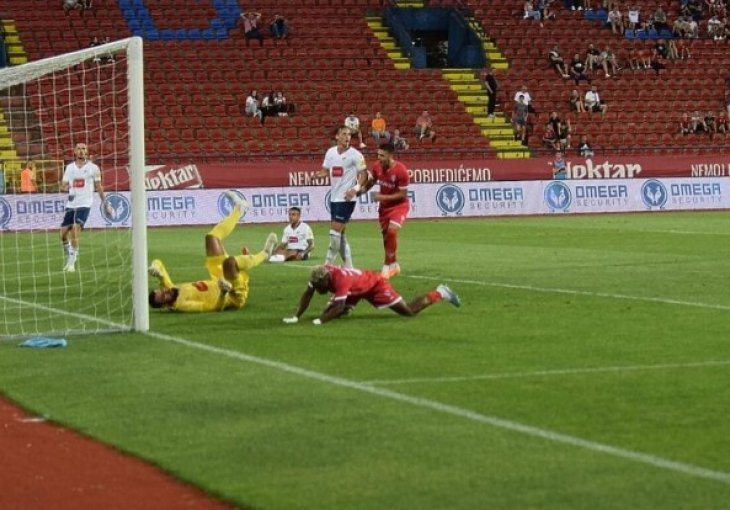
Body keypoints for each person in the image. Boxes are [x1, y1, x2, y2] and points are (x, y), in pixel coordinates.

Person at [148, 191, 278, 312]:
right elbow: (215, 307)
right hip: (232, 294)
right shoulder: (183, 305)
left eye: (162, 290)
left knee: (211, 238)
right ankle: (265, 253)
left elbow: (158, 263)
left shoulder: (171, 288)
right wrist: (223, 293)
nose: (166, 292)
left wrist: (156, 269)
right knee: (230, 262)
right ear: (165, 305)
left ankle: (239, 208)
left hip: (218, 279)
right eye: (163, 297)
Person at [281, 265, 461, 325]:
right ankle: (350, 306)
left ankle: (440, 292)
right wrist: (296, 316)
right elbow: (307, 294)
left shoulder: (340, 281)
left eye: (320, 287)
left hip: (374, 285)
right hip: (356, 287)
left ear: (326, 281)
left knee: (408, 311)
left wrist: (320, 320)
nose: (318, 290)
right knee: (333, 309)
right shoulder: (319, 274)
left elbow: (338, 306)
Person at [316, 125, 368, 268]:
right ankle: (349, 267)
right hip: (334, 198)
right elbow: (325, 171)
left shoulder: (356, 155)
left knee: (334, 233)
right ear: (337, 137)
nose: (347, 137)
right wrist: (318, 175)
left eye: (349, 135)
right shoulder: (330, 152)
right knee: (341, 235)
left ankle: (327, 266)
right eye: (344, 134)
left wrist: (355, 189)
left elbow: (364, 174)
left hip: (347, 198)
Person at [59, 143, 112, 272]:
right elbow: (63, 185)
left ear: (87, 151)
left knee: (76, 229)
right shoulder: (70, 168)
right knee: (63, 234)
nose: (81, 151)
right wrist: (66, 188)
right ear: (74, 151)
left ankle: (72, 262)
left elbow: (99, 187)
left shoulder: (94, 168)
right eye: (79, 149)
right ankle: (70, 254)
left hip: (85, 204)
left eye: (84, 149)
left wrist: (106, 204)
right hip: (71, 204)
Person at [361, 142, 410, 279]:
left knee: (392, 231)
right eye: (378, 155)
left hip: (399, 206)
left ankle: (386, 266)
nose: (379, 158)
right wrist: (362, 190)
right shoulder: (377, 166)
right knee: (386, 237)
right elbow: (372, 181)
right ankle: (394, 265)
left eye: (382, 155)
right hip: (384, 208)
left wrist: (381, 196)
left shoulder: (401, 171)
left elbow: (403, 195)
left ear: (390, 155)